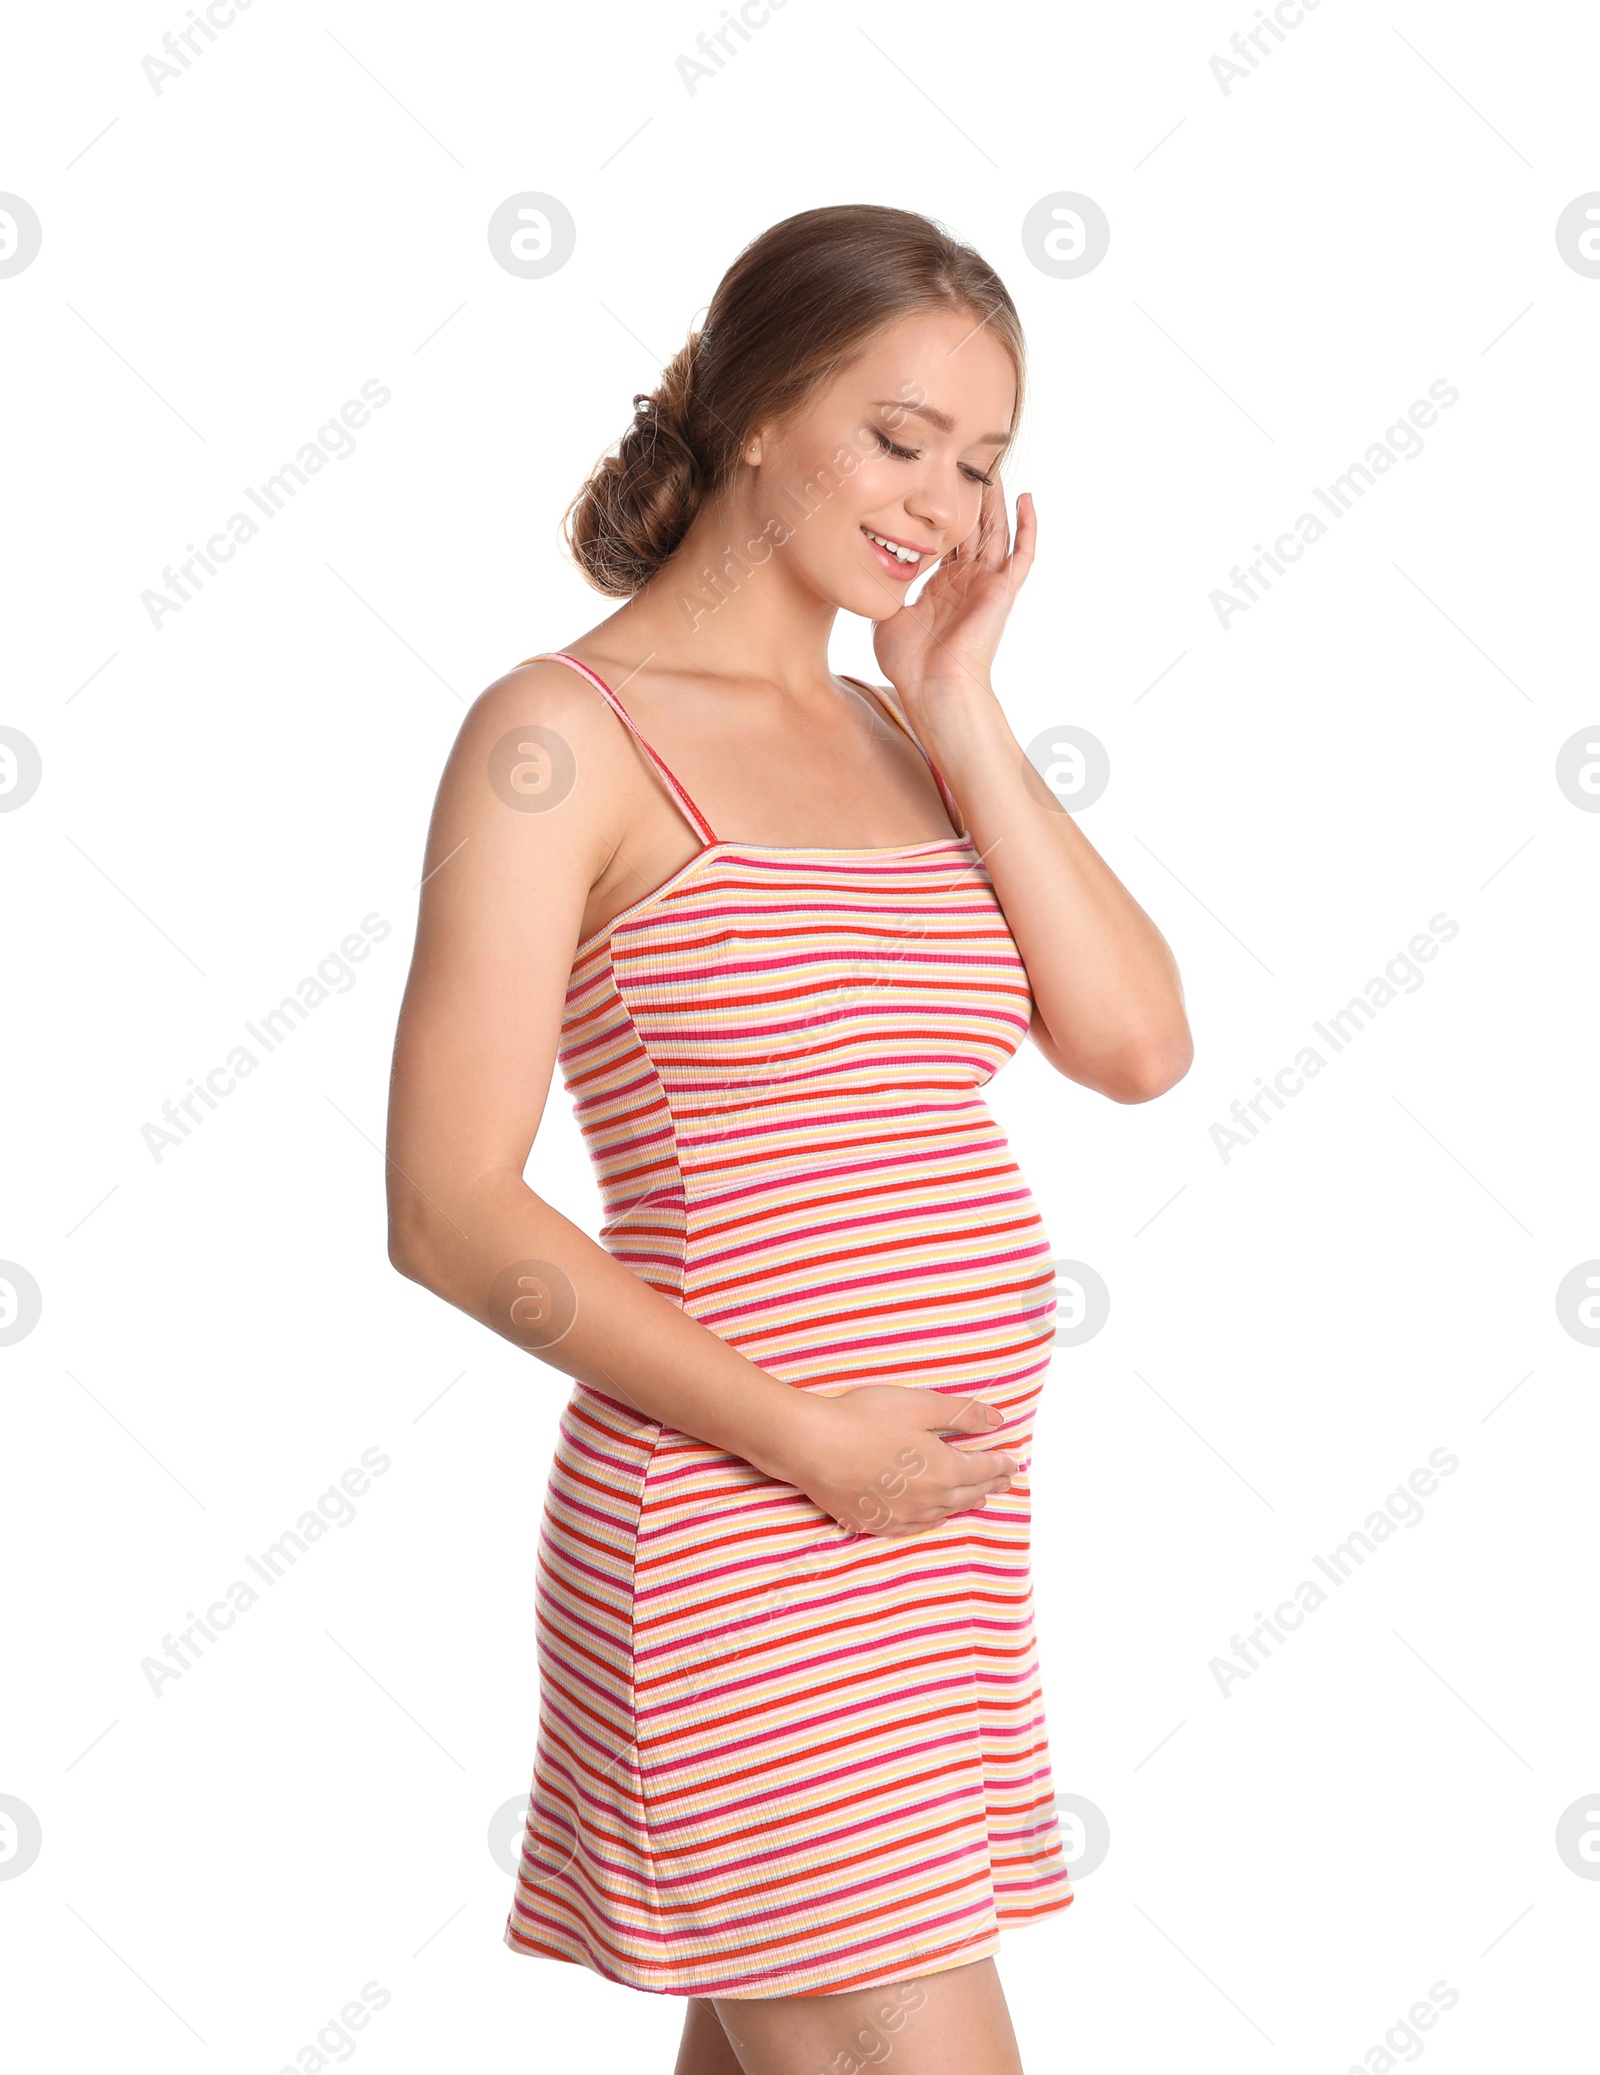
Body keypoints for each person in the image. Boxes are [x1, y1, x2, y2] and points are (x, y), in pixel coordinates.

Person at [386, 203, 1192, 2075]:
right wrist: (809, 1439)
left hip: (932, 1552)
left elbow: (1138, 1043)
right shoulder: (564, 736)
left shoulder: (899, 728)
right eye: (899, 439)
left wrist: (963, 702)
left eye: (983, 463)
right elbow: (444, 1206)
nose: (939, 502)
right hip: (741, 1536)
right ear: (756, 411)